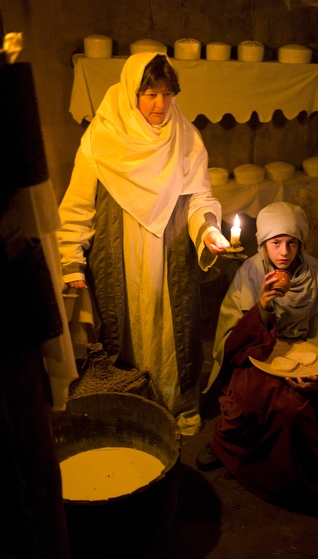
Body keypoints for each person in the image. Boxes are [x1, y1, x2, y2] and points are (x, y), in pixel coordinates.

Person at [57, 52, 230, 436]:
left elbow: (199, 197)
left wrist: (208, 230)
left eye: (168, 95)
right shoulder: (101, 139)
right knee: (124, 333)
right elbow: (77, 207)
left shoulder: (185, 137)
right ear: (131, 92)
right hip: (118, 257)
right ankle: (134, 409)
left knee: (174, 334)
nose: (160, 105)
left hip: (169, 254)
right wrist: (71, 259)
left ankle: (178, 408)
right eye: (150, 94)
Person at [196, 201, 318, 510]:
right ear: (263, 243)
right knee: (248, 397)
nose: (284, 252)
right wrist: (264, 307)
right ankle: (226, 445)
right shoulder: (251, 272)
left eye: (291, 243)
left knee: (293, 410)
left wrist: (317, 377)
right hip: (259, 350)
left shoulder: (317, 277)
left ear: (301, 244)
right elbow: (232, 337)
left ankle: (288, 482)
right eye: (275, 243)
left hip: (305, 356)